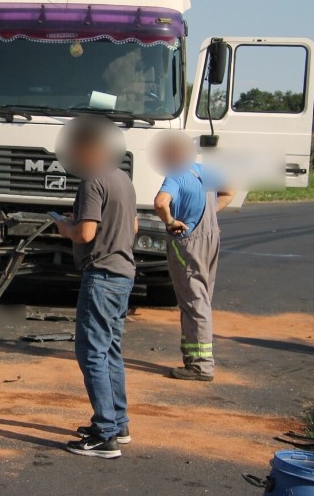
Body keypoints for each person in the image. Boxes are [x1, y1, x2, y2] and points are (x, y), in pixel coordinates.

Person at [53, 118, 137, 459]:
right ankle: (118, 423)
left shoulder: (92, 182)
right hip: (123, 273)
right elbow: (132, 225)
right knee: (111, 350)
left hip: (101, 274)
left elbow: (85, 234)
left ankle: (105, 435)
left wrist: (64, 227)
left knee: (91, 353)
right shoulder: (123, 178)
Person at [152, 132, 235, 382]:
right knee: (202, 299)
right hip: (210, 237)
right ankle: (192, 358)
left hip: (187, 241)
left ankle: (201, 366)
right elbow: (230, 191)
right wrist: (211, 213)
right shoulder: (203, 170)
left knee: (194, 302)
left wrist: (170, 222)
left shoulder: (175, 176)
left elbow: (160, 202)